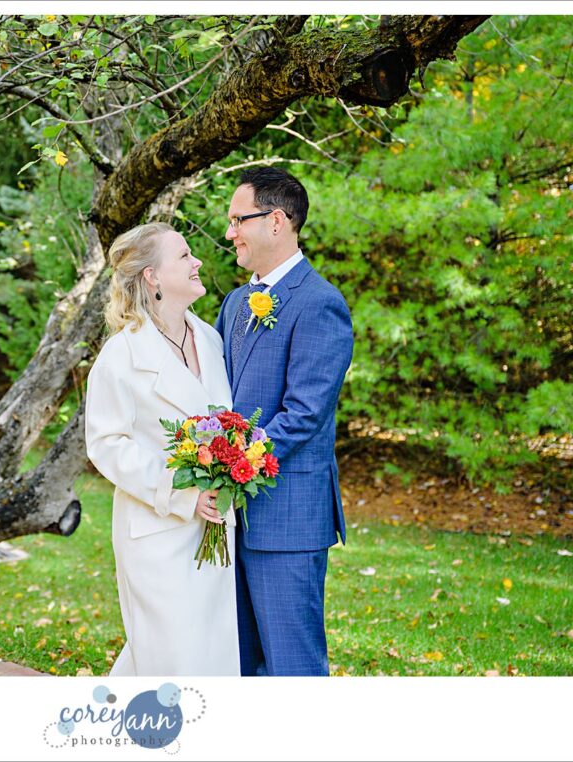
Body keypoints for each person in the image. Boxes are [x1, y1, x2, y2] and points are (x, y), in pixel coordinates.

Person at [214, 167, 354, 676]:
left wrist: (229, 468)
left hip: (287, 518)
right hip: (231, 520)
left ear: (275, 221)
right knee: (239, 664)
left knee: (292, 668)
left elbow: (303, 416)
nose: (229, 233)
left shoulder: (321, 304)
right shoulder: (233, 304)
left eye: (237, 220)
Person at [85, 222, 240, 676]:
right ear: (152, 276)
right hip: (156, 532)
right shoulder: (121, 354)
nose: (197, 264)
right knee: (170, 656)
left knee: (210, 651)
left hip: (214, 532)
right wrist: (184, 493)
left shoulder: (210, 340)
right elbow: (106, 444)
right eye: (185, 256)